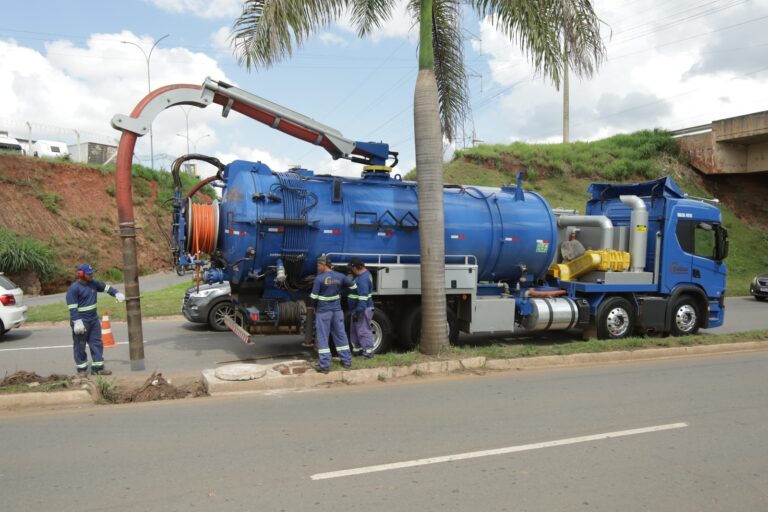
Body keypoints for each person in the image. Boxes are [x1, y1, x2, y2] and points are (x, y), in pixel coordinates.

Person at [66, 264, 125, 377]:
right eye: (89, 274)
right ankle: (82, 370)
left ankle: (97, 368)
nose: (91, 275)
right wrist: (77, 322)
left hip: (93, 320)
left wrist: (116, 293)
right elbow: (72, 307)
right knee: (80, 345)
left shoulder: (94, 283)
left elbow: (106, 288)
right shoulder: (74, 289)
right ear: (81, 275)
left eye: (92, 273)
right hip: (81, 321)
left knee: (96, 343)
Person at [309, 255, 356, 373]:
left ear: (324, 265)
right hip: (337, 311)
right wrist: (341, 292)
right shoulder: (340, 276)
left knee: (323, 337)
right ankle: (347, 361)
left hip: (323, 311)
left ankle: (324, 365)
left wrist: (314, 307)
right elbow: (354, 286)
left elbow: (313, 297)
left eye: (318, 264)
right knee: (340, 335)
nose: (317, 266)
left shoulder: (319, 279)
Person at [347, 257, 375, 358]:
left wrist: (359, 311)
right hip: (357, 309)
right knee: (355, 330)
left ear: (356, 267)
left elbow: (363, 297)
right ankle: (357, 350)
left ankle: (368, 352)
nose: (351, 270)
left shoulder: (363, 278)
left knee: (363, 330)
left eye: (352, 268)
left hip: (362, 309)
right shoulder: (361, 275)